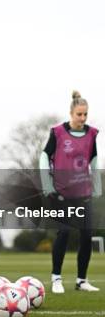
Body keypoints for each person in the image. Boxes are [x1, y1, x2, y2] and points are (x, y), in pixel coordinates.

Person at [40, 91, 102, 293]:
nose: (83, 118)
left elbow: (93, 160)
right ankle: (56, 278)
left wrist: (97, 187)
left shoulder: (91, 134)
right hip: (61, 193)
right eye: (79, 114)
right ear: (71, 113)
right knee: (64, 232)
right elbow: (44, 157)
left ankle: (81, 281)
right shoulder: (57, 133)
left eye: (85, 114)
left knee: (86, 236)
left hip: (83, 193)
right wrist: (47, 186)